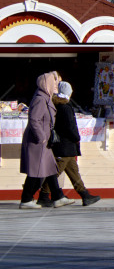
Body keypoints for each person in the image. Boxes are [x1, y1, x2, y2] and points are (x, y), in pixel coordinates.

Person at [38, 81, 101, 207]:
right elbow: (70, 127)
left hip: (64, 147)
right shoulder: (65, 108)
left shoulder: (54, 106)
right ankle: (44, 196)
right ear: (68, 93)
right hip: (65, 146)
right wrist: (77, 137)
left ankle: (84, 194)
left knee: (73, 171)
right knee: (54, 173)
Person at [19, 72, 75, 209]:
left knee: (49, 168)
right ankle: (26, 199)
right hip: (38, 141)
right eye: (55, 83)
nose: (57, 86)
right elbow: (34, 119)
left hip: (43, 140)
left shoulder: (46, 97)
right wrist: (41, 137)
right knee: (37, 170)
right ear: (48, 83)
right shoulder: (40, 98)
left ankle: (58, 196)